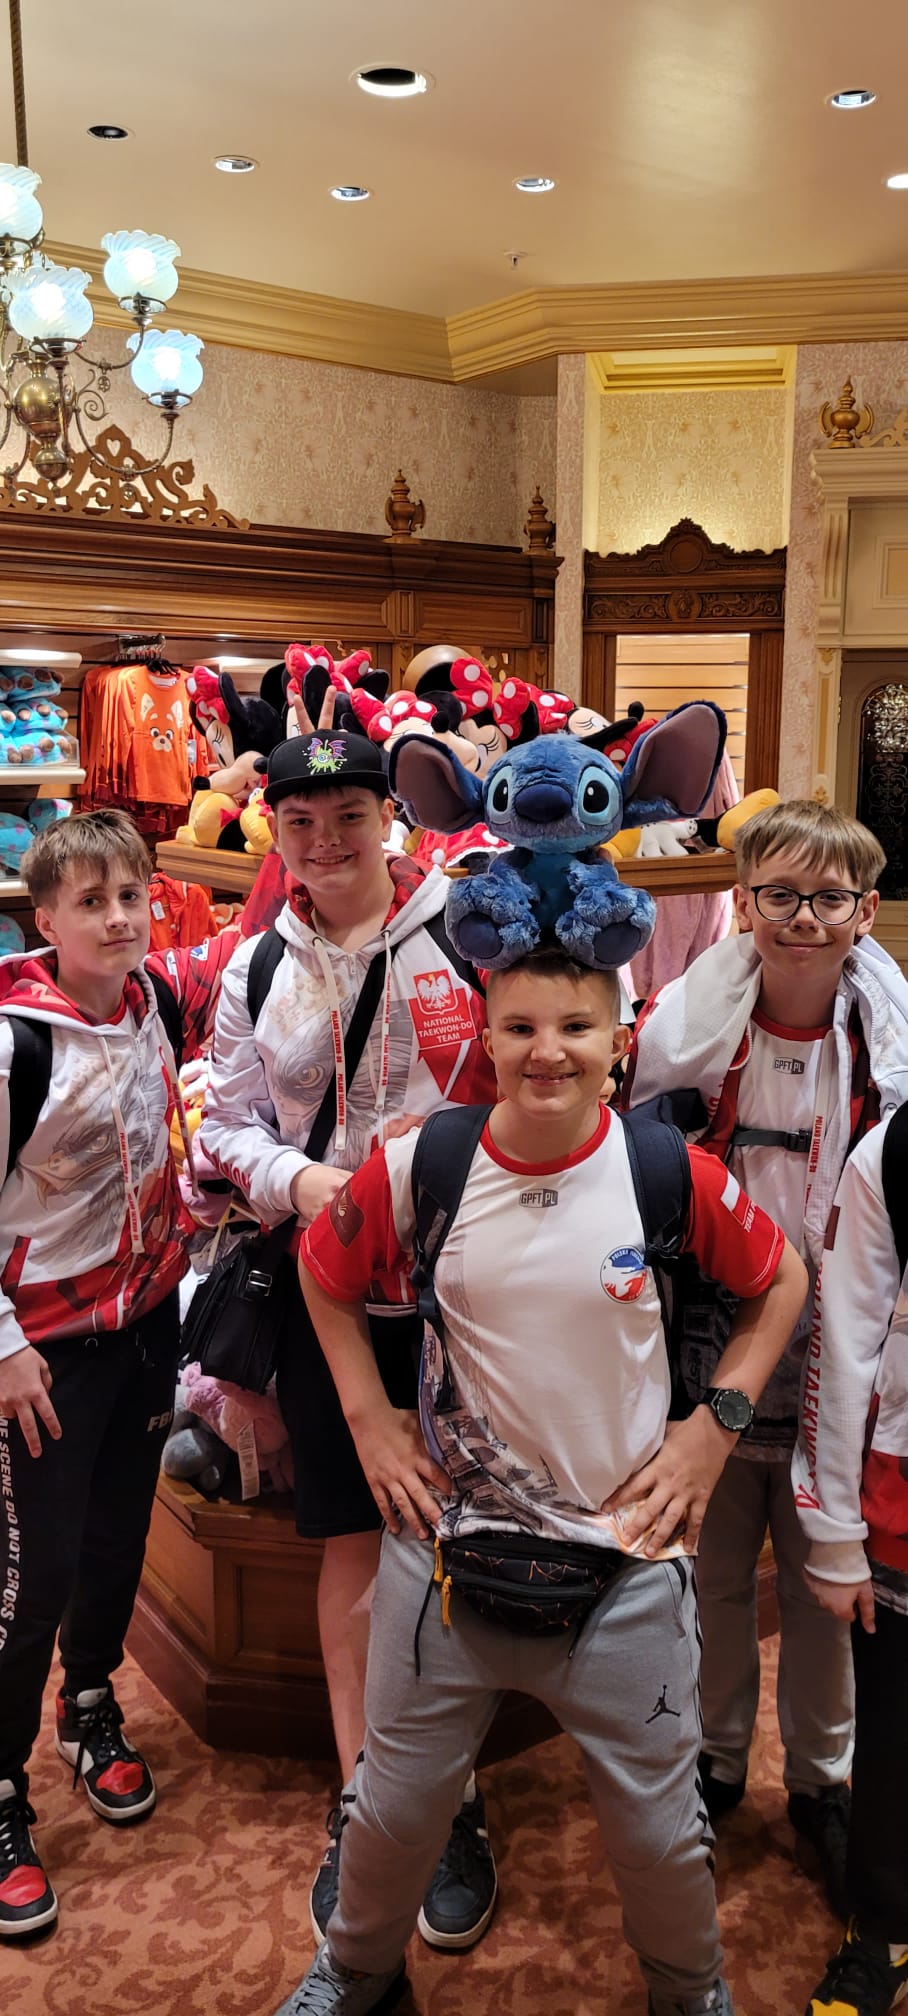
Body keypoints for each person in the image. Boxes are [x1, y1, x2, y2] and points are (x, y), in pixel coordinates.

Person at [275, 947, 807, 2016]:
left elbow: (779, 1278)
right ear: (486, 1039)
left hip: (625, 1566)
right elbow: (324, 1270)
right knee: (391, 1810)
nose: (546, 1052)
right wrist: (368, 1418)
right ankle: (354, 1973)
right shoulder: (426, 1160)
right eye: (519, 1027)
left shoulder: (665, 1170)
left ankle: (688, 1992)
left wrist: (713, 1432)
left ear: (620, 1044)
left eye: (574, 1028)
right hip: (443, 1556)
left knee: (660, 1836)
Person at [199, 714, 500, 1951]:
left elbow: (540, 1075)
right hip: (321, 1289)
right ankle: (367, 1795)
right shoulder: (251, 965)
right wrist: (300, 1181)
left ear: (392, 819)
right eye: (301, 822)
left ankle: (455, 1803)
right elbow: (223, 1125)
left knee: (457, 1540)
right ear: (275, 828)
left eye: (350, 817)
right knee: (350, 1543)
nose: (325, 842)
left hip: (462, 1294)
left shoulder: (469, 933)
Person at [625, 800, 908, 1915]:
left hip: (844, 1347)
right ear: (741, 904)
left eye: (827, 898)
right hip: (718, 1341)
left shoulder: (885, 1049)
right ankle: (714, 1757)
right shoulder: (690, 1038)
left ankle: (822, 1779)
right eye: (779, 895)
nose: (802, 920)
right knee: (709, 1573)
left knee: (826, 1585)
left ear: (863, 911)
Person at [0, 810, 205, 1939]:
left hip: (145, 1322)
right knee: (30, 1573)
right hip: (40, 1351)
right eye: (91, 901)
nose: (119, 918)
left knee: (119, 1536)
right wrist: (3, 1346)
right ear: (47, 918)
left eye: (131, 896)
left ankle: (88, 1704)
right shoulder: (14, 1043)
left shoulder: (156, 1001)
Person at [793, 1112, 908, 2016]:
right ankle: (887, 1927)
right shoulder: (894, 1154)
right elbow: (844, 1340)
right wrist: (834, 1532)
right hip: (903, 1501)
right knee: (897, 1729)